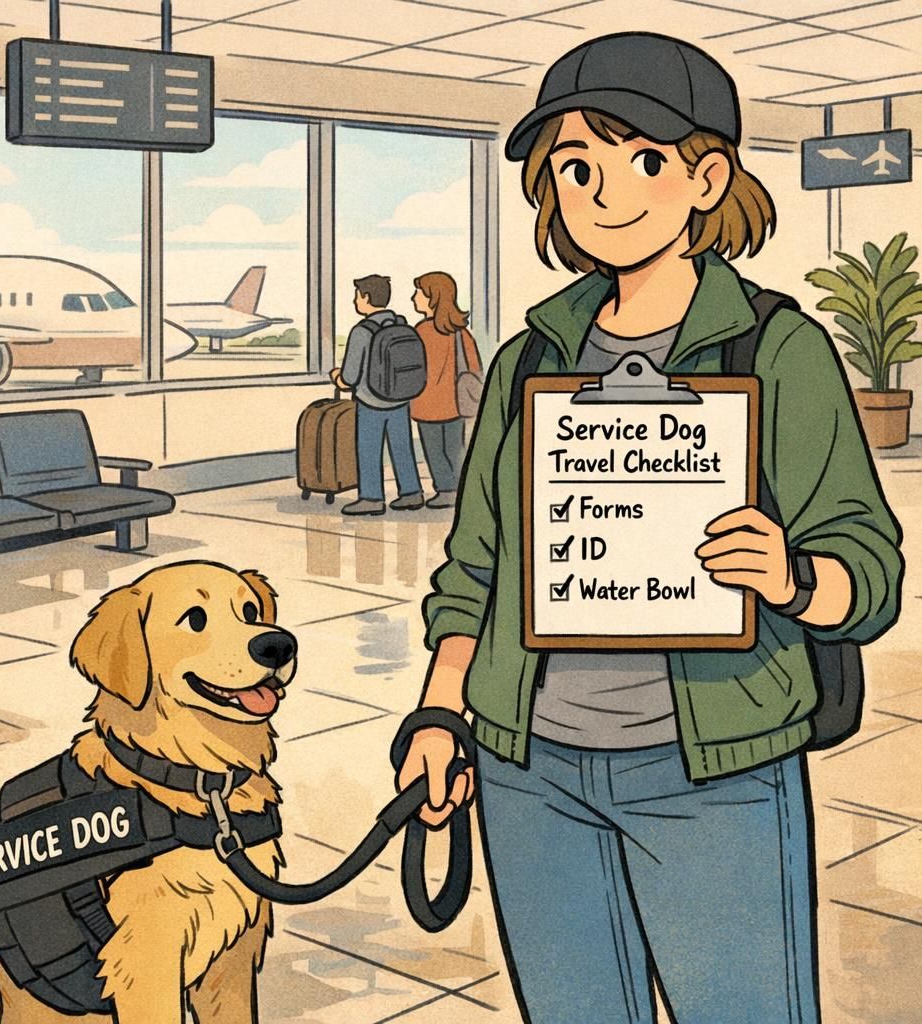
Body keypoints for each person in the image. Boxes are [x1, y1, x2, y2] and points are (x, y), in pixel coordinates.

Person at [395, 32, 903, 1024]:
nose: (603, 193)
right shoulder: (531, 356)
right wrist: (440, 712)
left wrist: (793, 576)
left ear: (707, 177)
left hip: (712, 767)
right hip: (528, 768)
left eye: (641, 160)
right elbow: (475, 566)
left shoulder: (775, 347)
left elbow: (868, 568)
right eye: (575, 168)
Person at [331, 275, 423, 516]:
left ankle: (372, 498)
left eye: (357, 296)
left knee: (369, 449)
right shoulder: (400, 323)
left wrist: (336, 377)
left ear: (366, 297)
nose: (355, 301)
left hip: (371, 401)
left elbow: (349, 377)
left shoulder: (362, 331)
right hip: (400, 398)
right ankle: (412, 492)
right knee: (402, 447)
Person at [409, 272, 482, 509]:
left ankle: (445, 490)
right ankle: (458, 490)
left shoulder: (420, 331)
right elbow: (475, 368)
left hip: (426, 403)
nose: (414, 298)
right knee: (455, 449)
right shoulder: (460, 332)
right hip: (455, 404)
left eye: (419, 293)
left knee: (435, 452)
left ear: (433, 298)